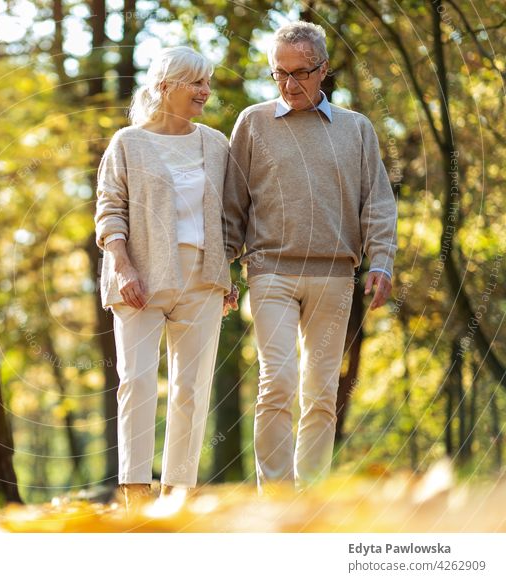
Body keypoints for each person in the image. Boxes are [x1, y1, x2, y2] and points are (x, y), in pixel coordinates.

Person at [223, 21, 398, 491]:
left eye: (300, 73)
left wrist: (381, 261)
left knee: (320, 395)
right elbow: (232, 204)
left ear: (323, 70)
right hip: (270, 271)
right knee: (276, 382)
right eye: (279, 73)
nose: (289, 84)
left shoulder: (356, 129)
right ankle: (276, 500)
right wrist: (224, 269)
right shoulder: (253, 123)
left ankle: (311, 498)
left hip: (335, 275)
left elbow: (378, 203)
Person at [94, 46, 237, 511]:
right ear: (165, 87)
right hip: (141, 276)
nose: (205, 91)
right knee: (136, 381)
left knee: (191, 386)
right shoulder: (128, 143)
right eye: (195, 83)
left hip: (203, 278)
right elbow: (109, 210)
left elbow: (228, 214)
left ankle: (180, 492)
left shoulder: (216, 144)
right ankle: (136, 492)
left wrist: (227, 270)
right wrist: (122, 265)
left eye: (207, 82)